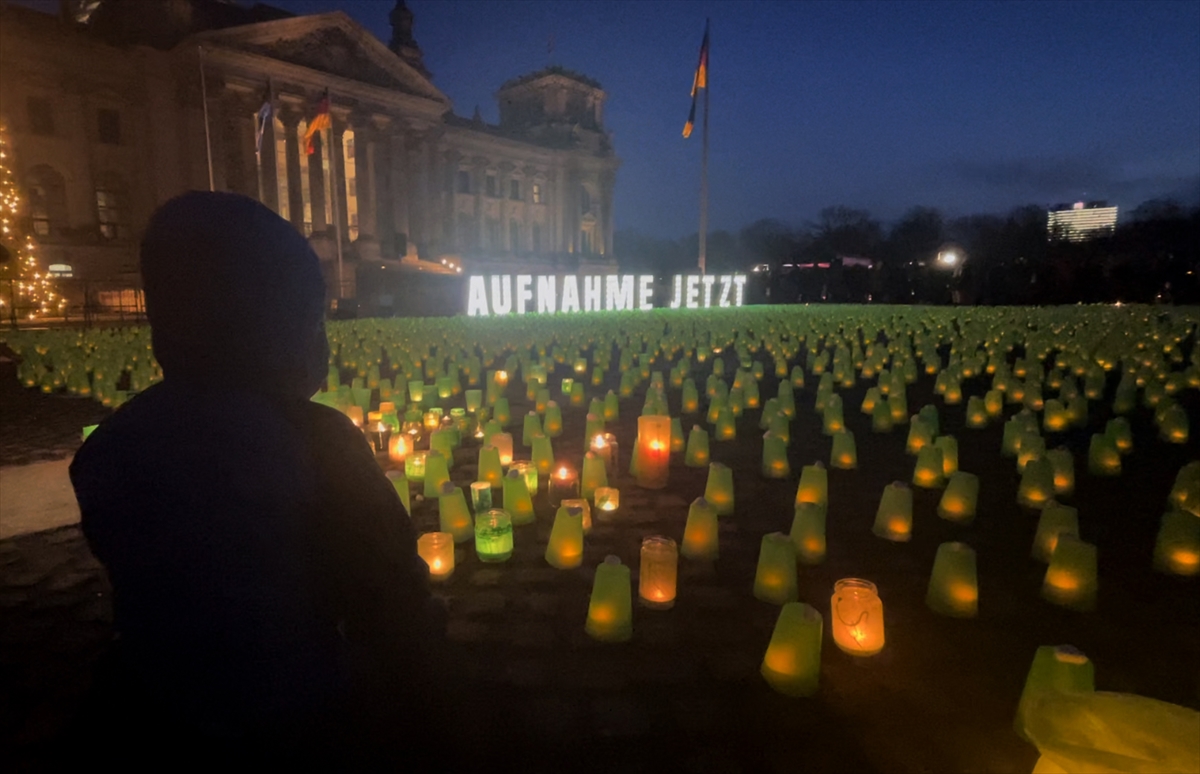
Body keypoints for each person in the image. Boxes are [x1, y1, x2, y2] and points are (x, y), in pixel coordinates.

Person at [68, 191, 449, 766]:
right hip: (293, 713)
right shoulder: (319, 442)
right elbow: (389, 592)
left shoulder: (114, 443)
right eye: (310, 319)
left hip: (157, 709)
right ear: (273, 330)